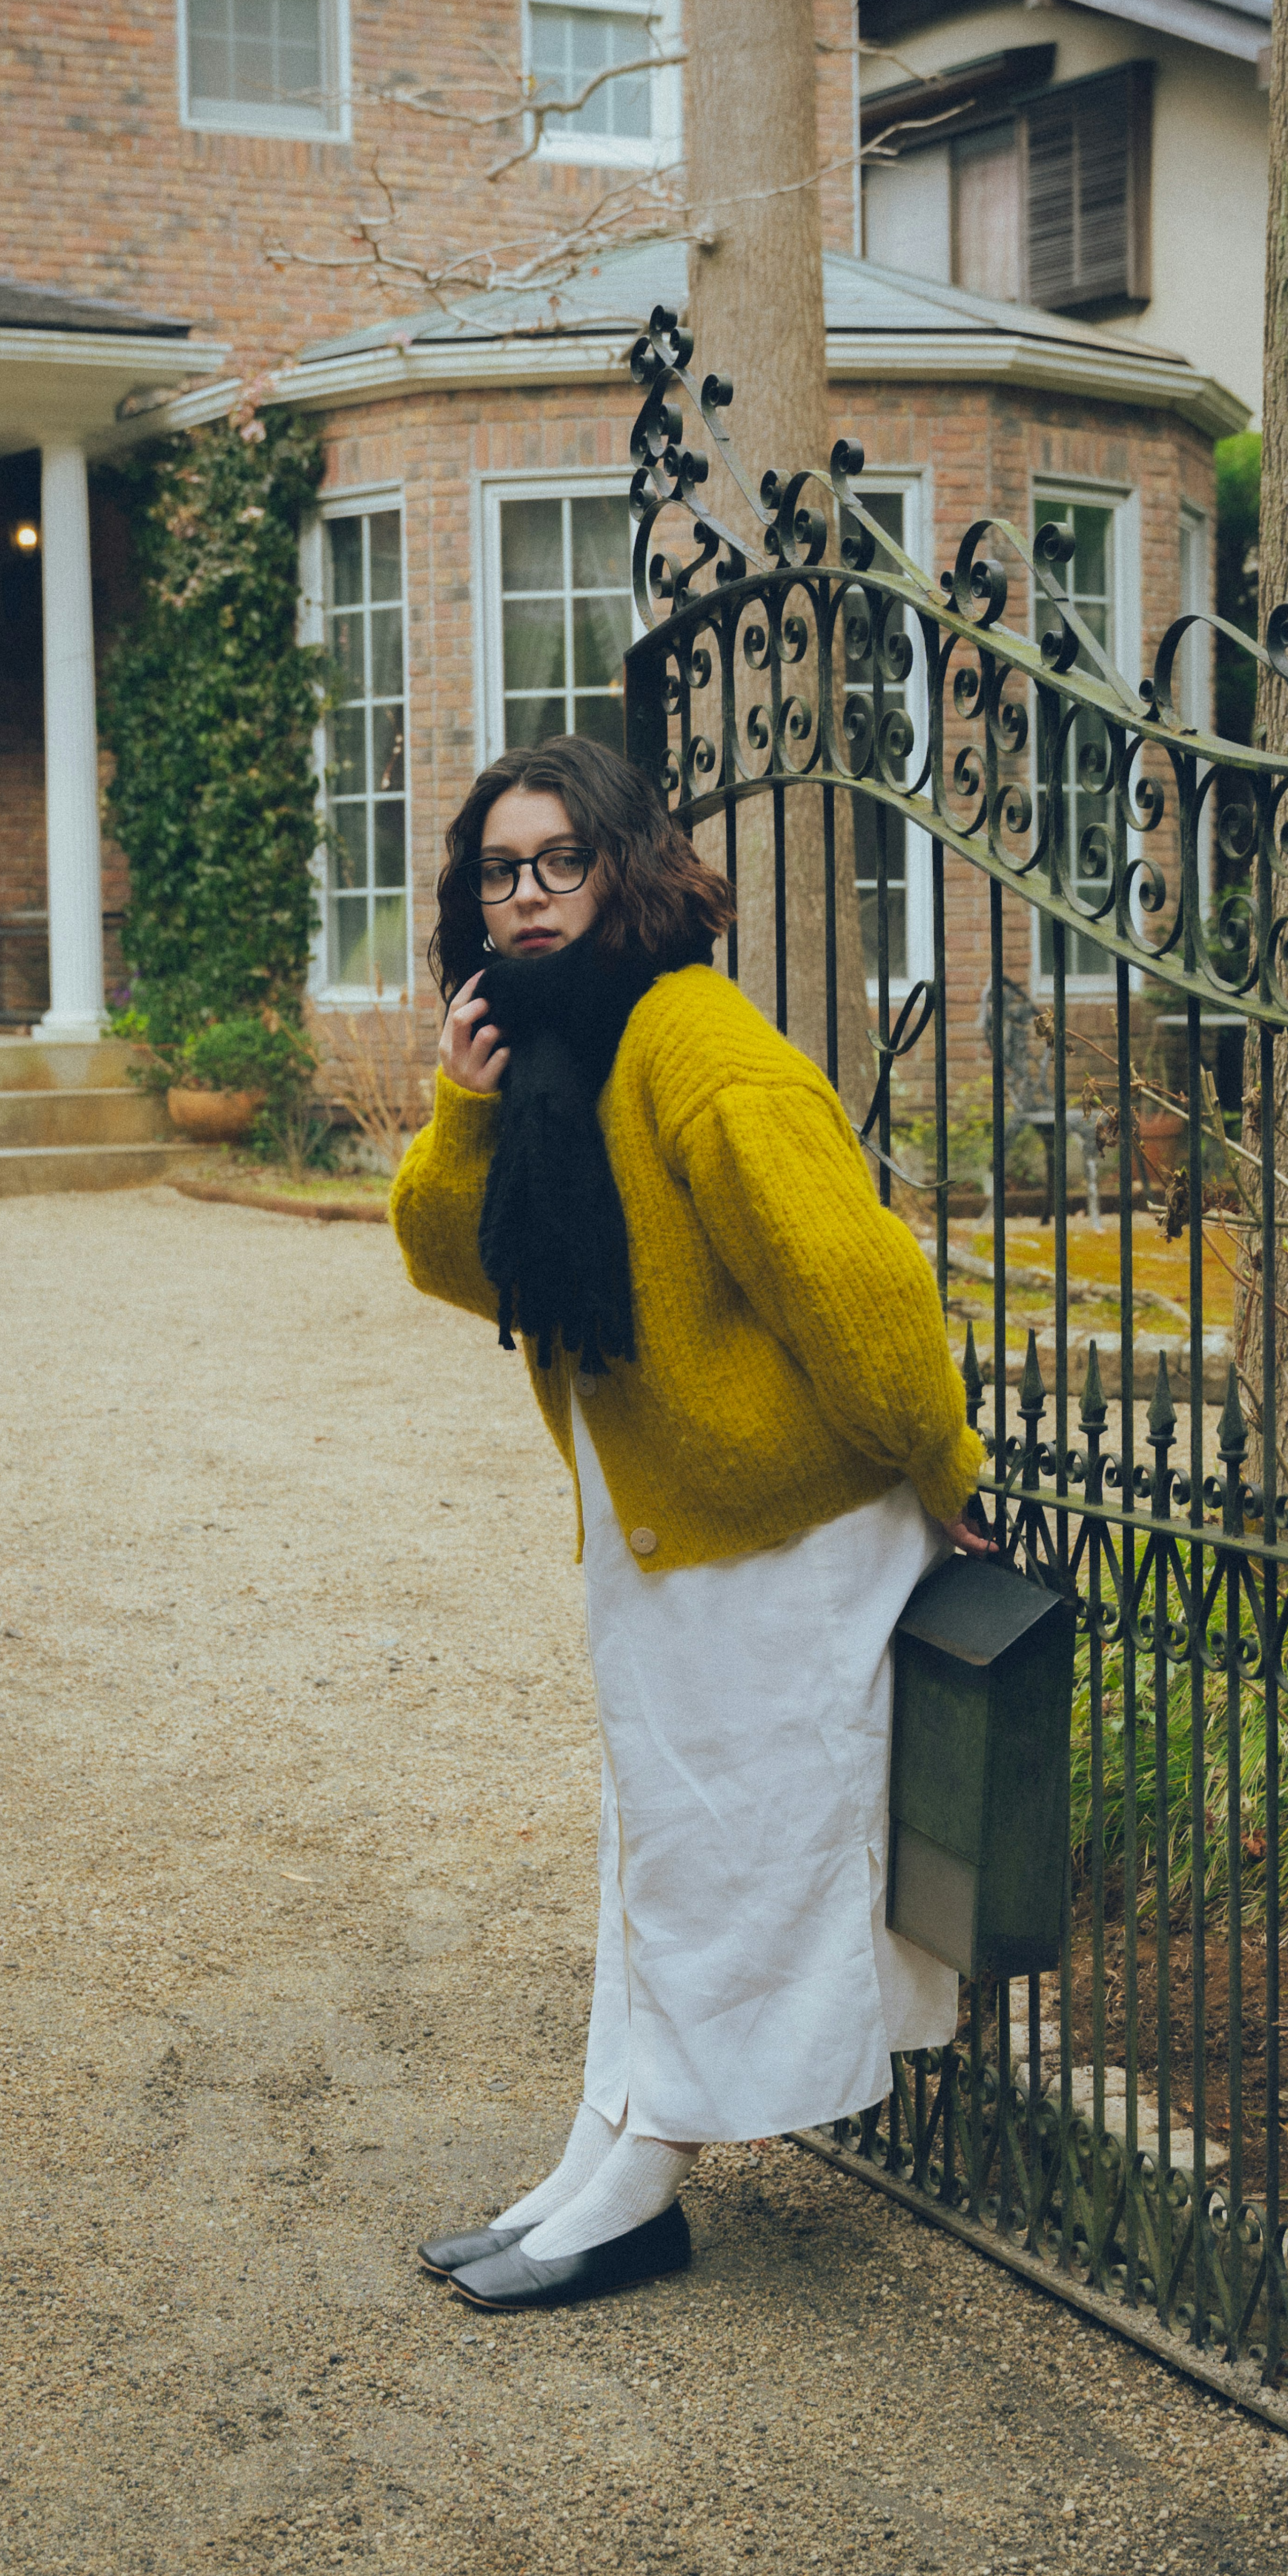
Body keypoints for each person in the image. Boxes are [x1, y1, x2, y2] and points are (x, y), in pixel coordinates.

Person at [391, 733, 992, 2315]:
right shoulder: (549, 1050)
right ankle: (603, 2148)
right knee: (661, 1850)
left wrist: (950, 1474)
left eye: (557, 865)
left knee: (738, 1858)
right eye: (498, 873)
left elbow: (860, 1295)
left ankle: (645, 2188)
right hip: (665, 1530)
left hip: (782, 1529)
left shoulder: (698, 1049)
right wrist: (461, 1115)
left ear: (624, 868)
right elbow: (462, 1266)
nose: (525, 900)